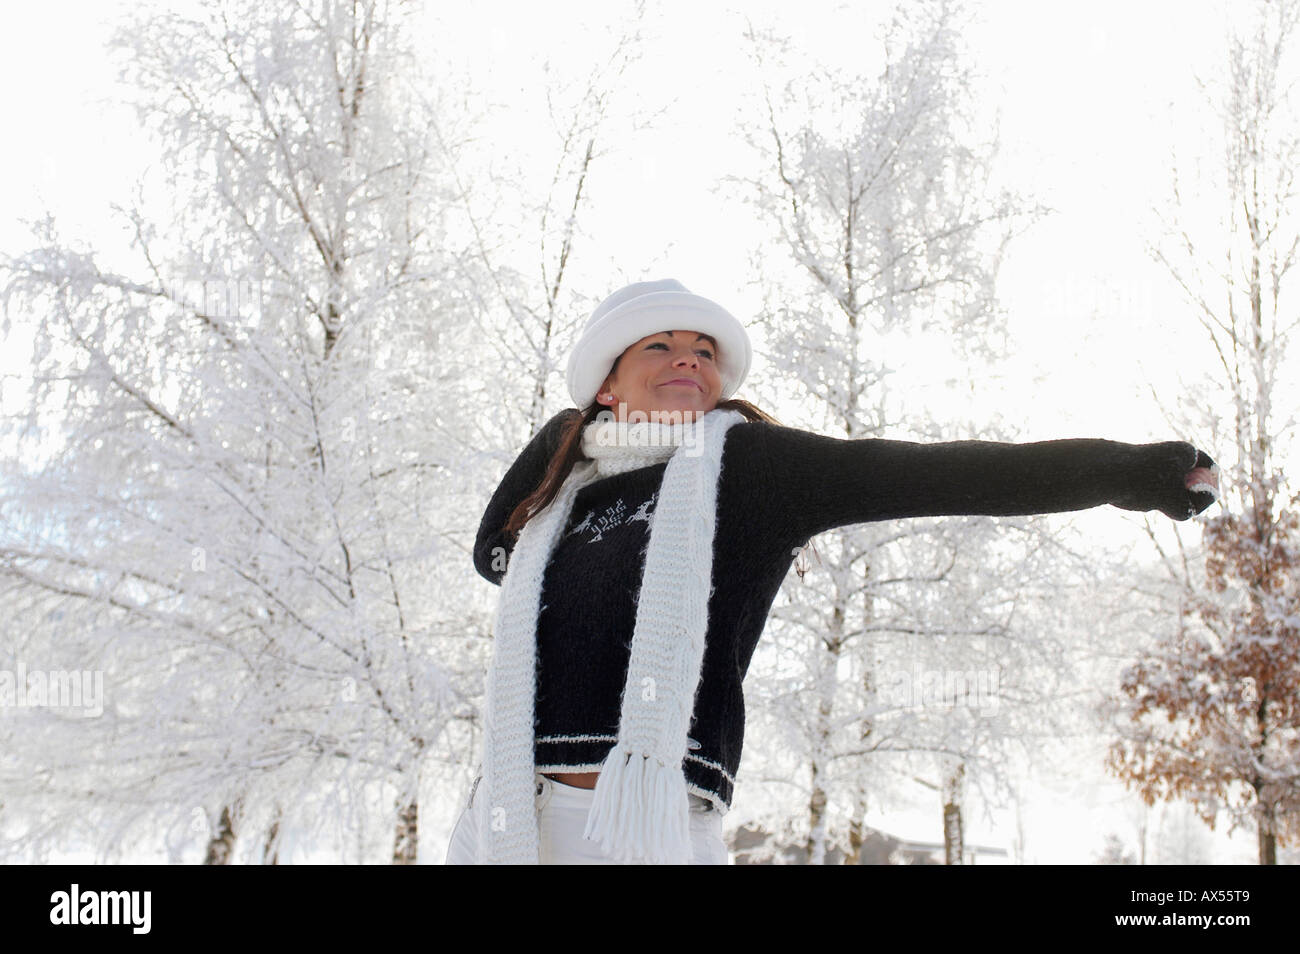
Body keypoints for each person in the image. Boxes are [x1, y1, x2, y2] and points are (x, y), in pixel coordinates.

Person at [443, 278, 1221, 865]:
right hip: (507, 814)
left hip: (644, 826)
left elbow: (938, 474)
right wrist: (568, 437)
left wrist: (1125, 472)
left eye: (705, 350)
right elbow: (493, 555)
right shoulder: (563, 496)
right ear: (606, 381)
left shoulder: (748, 467)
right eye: (659, 343)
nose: (688, 355)